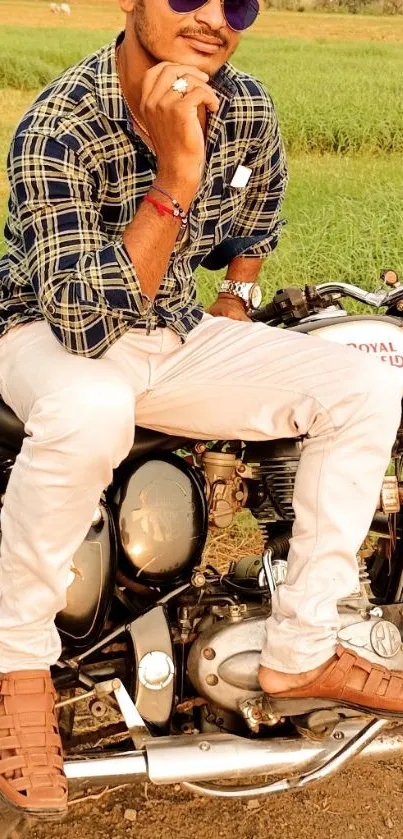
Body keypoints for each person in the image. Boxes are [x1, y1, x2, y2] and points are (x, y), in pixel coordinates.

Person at [0, 0, 402, 820]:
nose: (215, 17)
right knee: (90, 406)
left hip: (172, 332)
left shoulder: (245, 104)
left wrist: (237, 295)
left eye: (239, 3)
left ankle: (299, 650)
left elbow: (258, 215)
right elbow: (85, 325)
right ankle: (16, 668)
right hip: (41, 333)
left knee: (364, 383)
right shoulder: (61, 123)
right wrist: (178, 176)